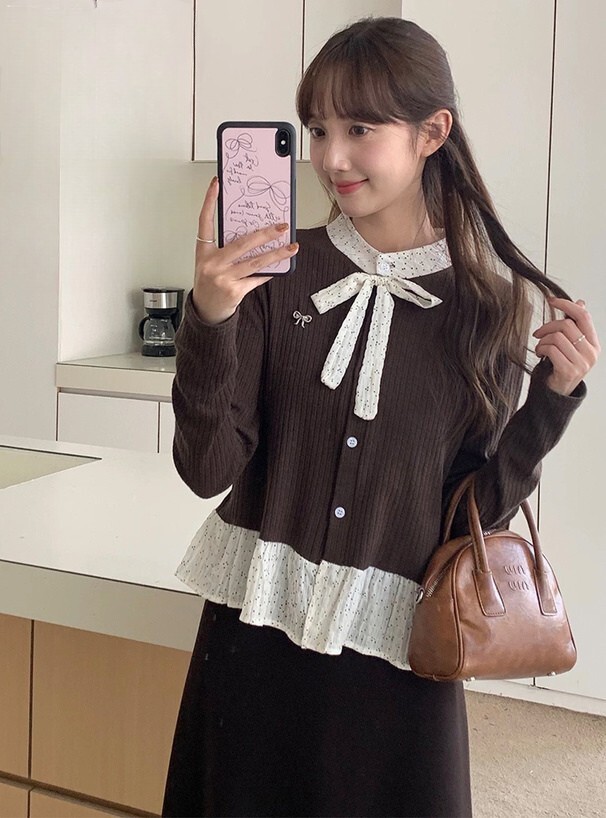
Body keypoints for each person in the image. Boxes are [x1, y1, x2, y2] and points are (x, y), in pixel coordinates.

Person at [162, 16, 599, 818]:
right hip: (253, 643)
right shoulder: (272, 274)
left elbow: (470, 518)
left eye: (360, 129)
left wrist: (550, 404)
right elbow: (206, 468)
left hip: (393, 659)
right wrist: (212, 319)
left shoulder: (487, 307)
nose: (332, 157)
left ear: (433, 132)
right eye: (317, 129)